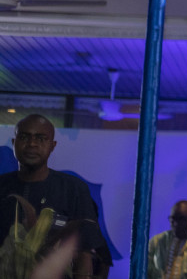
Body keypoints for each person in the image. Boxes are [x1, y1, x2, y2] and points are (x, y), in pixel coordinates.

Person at [0, 115, 109, 279]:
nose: (32, 144)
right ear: (14, 143)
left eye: (41, 138)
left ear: (52, 145)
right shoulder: (2, 185)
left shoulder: (73, 189)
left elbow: (84, 253)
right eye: (24, 137)